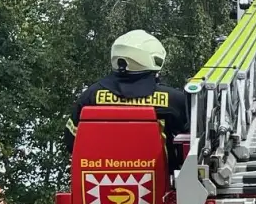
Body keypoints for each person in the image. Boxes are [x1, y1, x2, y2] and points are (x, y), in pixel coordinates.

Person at [68, 30, 191, 165]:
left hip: (99, 174)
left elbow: (71, 140)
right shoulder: (172, 100)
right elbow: (191, 143)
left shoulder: (90, 96)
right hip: (159, 175)